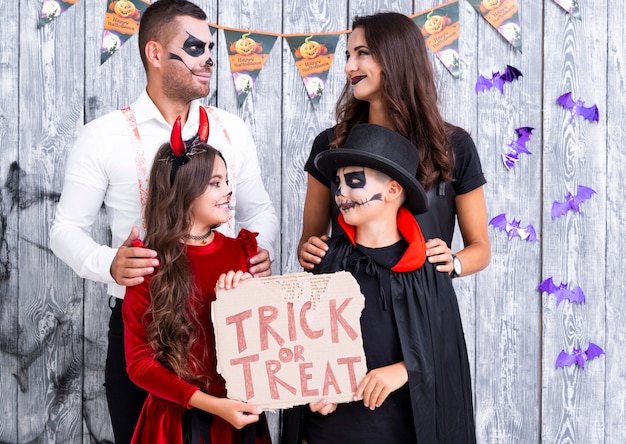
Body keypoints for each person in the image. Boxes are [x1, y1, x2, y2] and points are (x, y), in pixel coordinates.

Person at [49, 0, 278, 441]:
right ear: (155, 54)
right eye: (194, 47)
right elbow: (64, 230)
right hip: (149, 330)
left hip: (231, 327)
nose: (209, 58)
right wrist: (109, 263)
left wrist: (255, 254)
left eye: (211, 47)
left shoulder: (234, 130)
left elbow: (259, 210)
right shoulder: (104, 135)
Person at [288, 123, 475, 443]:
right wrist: (314, 392)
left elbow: (446, 352)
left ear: (393, 191)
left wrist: (403, 370)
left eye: (354, 181)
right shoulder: (326, 264)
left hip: (402, 429)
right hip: (333, 432)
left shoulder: (428, 265)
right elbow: (299, 347)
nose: (340, 193)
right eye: (338, 183)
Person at [298, 12, 490, 281]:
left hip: (425, 306)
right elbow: (309, 242)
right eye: (348, 56)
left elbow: (480, 249)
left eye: (361, 53)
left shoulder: (455, 146)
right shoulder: (330, 145)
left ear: (395, 57)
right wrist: (309, 251)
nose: (349, 67)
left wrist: (453, 263)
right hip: (349, 306)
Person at [122, 118, 271, 443]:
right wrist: (212, 405)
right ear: (183, 191)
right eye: (216, 183)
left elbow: (268, 344)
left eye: (227, 181)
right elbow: (140, 365)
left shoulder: (243, 253)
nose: (229, 190)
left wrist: (246, 302)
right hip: (178, 422)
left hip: (239, 418)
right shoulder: (148, 263)